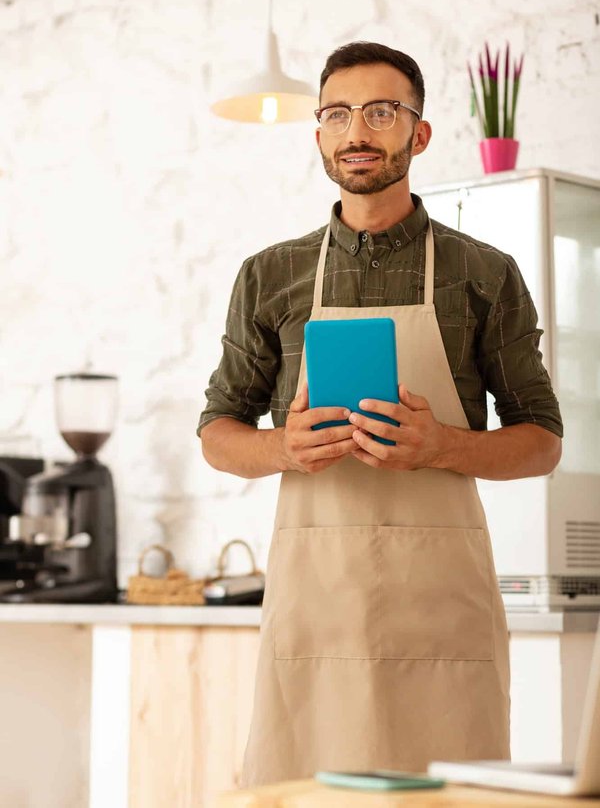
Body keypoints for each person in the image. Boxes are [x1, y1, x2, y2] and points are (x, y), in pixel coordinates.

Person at [197, 41, 563, 786]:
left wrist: (442, 446)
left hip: (441, 611)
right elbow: (217, 432)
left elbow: (542, 441)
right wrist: (284, 448)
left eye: (381, 112)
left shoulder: (483, 273)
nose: (356, 131)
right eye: (337, 114)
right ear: (319, 134)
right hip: (316, 610)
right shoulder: (270, 275)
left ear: (418, 134)